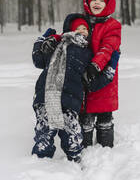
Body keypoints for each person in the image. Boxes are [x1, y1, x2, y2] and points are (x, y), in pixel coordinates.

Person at [31, 13, 119, 162]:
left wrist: (111, 66)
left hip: (70, 101)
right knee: (44, 134)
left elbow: (93, 82)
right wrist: (42, 39)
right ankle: (40, 165)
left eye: (85, 28)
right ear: (69, 30)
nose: (82, 30)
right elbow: (38, 59)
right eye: (77, 28)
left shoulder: (88, 54)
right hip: (46, 96)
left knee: (72, 137)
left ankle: (73, 165)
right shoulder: (55, 45)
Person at [80, 0, 122, 148]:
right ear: (88, 3)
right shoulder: (82, 22)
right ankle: (85, 145)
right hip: (84, 75)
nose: (96, 3)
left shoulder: (113, 25)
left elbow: (108, 47)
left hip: (104, 76)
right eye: (93, 0)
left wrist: (96, 65)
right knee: (86, 113)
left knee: (104, 112)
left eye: (101, 0)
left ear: (107, 4)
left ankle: (105, 145)